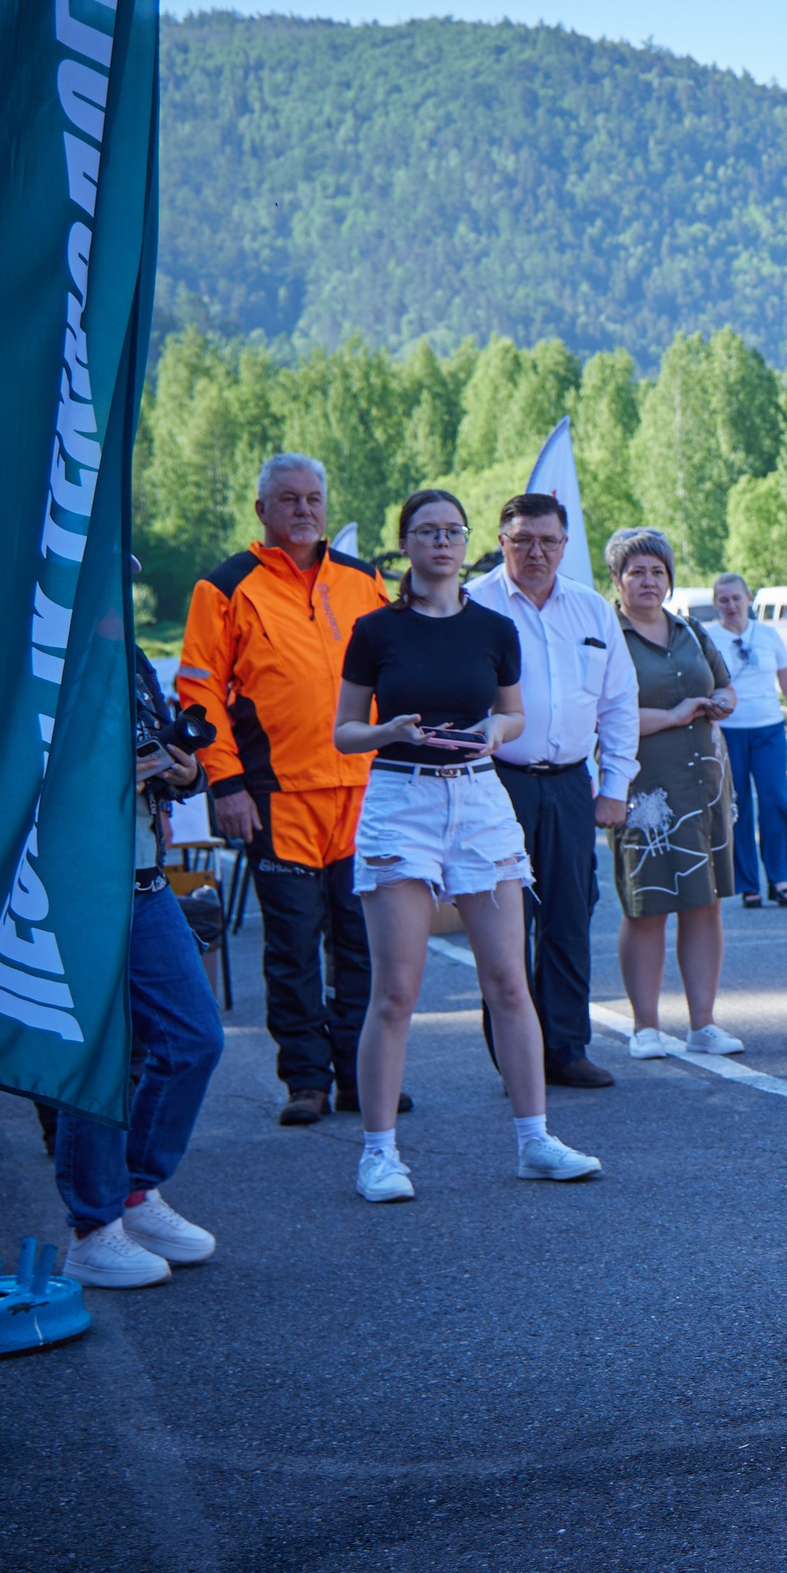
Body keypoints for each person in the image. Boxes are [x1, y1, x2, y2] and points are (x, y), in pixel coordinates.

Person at [334, 489, 600, 1202]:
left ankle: (535, 1140)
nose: (442, 543)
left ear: (464, 541)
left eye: (453, 531)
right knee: (395, 992)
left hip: (480, 794)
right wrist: (388, 732)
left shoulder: (494, 626)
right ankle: (379, 1154)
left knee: (510, 981)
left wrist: (496, 732)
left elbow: (511, 714)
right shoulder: (374, 630)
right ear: (405, 544)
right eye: (427, 532)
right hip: (401, 795)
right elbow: (343, 733)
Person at [177, 453, 391, 1126]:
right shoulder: (224, 587)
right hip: (278, 797)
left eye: (314, 498)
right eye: (289, 499)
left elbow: (398, 671)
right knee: (293, 944)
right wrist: (227, 784)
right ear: (261, 509)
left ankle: (363, 1075)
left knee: (363, 943)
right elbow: (199, 691)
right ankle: (306, 1080)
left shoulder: (364, 581)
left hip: (363, 792)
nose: (304, 510)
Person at [58, 649, 229, 1287]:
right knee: (99, 1055)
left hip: (145, 875)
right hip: (75, 879)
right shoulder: (35, 645)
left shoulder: (128, 654)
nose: (118, 584)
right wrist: (104, 776)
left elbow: (164, 756)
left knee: (194, 1039)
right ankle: (92, 1229)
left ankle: (134, 1194)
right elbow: (6, 771)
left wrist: (185, 774)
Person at [468, 493, 640, 1089]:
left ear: (565, 545)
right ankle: (515, 1058)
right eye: (522, 541)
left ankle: (566, 1048)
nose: (535, 552)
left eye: (548, 541)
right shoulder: (473, 606)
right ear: (501, 542)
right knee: (502, 924)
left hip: (570, 783)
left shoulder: (592, 611)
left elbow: (619, 705)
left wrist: (615, 785)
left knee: (570, 915)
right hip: (494, 784)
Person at [604, 527, 741, 1059]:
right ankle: (645, 1027)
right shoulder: (609, 635)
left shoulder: (689, 629)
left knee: (704, 904)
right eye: (636, 571)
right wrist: (673, 716)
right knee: (646, 907)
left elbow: (724, 683)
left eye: (657, 571)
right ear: (616, 580)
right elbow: (602, 716)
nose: (648, 581)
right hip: (645, 795)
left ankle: (703, 1024)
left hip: (704, 788)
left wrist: (723, 701)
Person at [711, 571, 787, 908]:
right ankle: (747, 882)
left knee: (776, 800)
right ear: (715, 604)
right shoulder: (707, 636)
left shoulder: (767, 635)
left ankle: (780, 878)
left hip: (768, 728)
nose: (731, 605)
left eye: (736, 598)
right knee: (736, 805)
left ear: (748, 598)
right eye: (723, 600)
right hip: (728, 730)